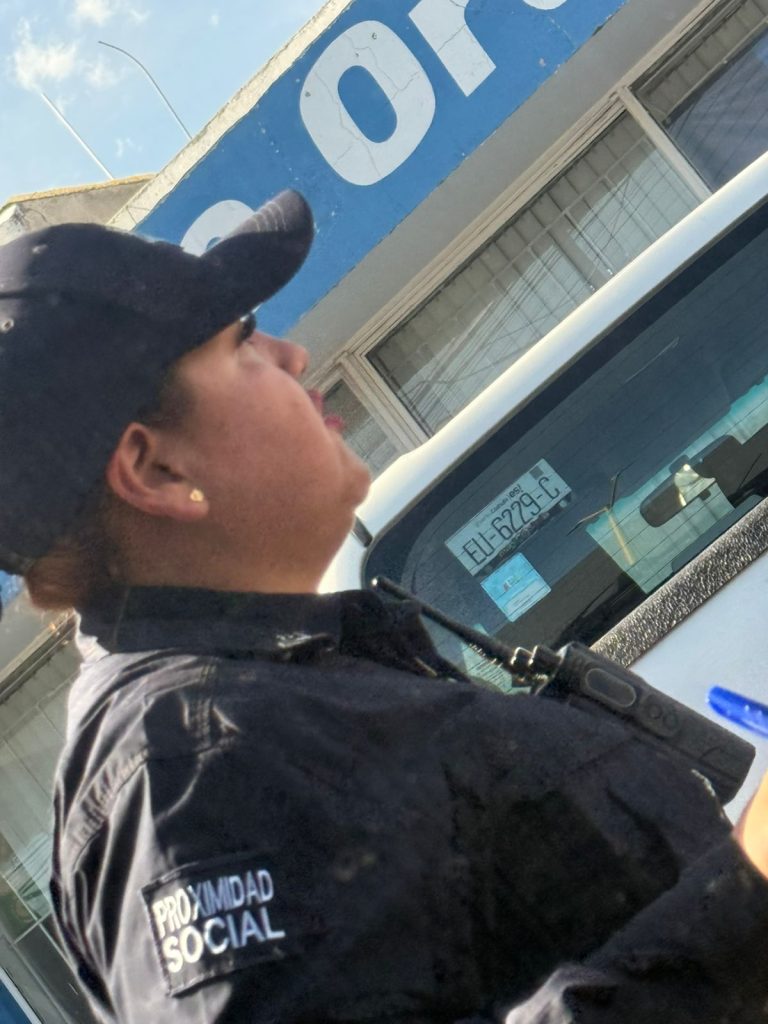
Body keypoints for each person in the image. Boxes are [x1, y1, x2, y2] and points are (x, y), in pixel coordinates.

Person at [0, 189, 767, 1024]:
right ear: (155, 470)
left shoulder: (267, 709)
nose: (294, 356)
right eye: (242, 342)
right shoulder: (188, 777)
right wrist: (748, 897)